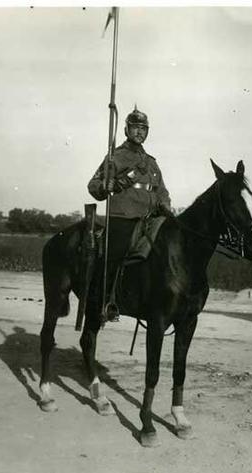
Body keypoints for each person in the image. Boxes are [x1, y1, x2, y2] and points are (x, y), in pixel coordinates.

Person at [87, 106, 172, 316]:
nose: (139, 132)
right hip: (124, 217)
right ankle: (106, 301)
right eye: (135, 127)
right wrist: (107, 186)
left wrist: (166, 208)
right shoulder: (115, 158)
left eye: (144, 128)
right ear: (126, 130)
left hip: (150, 219)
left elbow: (162, 191)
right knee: (116, 253)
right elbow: (93, 185)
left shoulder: (152, 163)